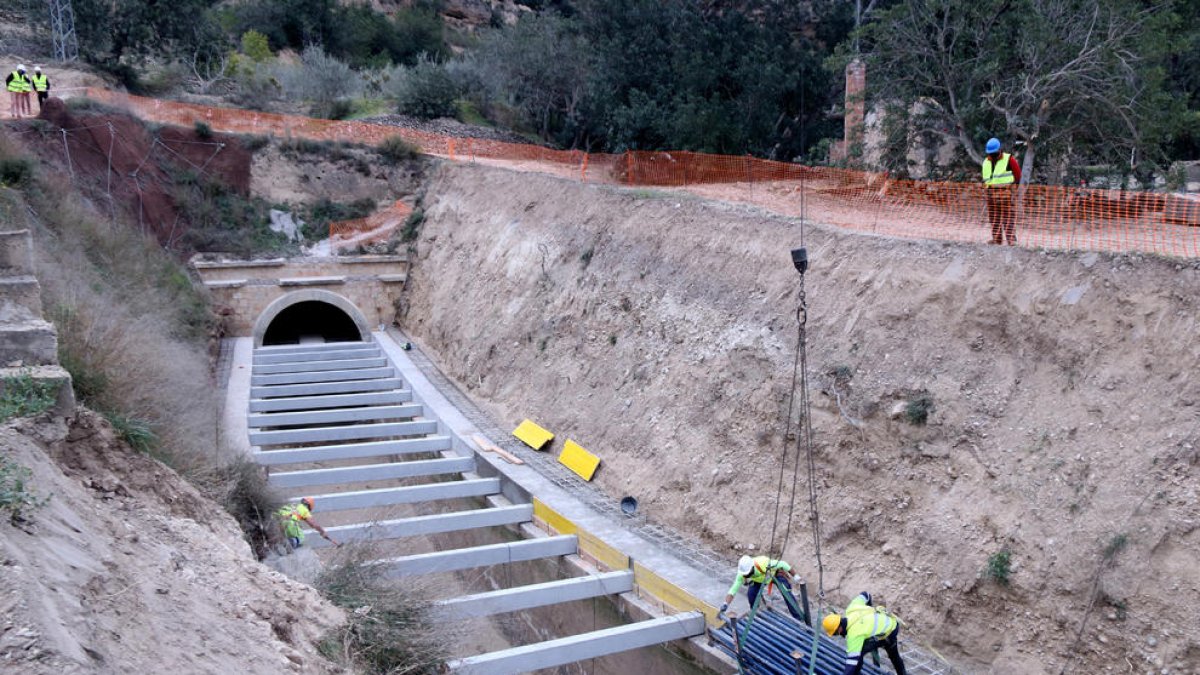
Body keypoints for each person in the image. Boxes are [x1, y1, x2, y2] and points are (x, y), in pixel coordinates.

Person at [823, 592, 907, 675]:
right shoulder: (851, 608)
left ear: (839, 629)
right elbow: (866, 594)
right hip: (891, 623)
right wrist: (870, 612)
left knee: (859, 653)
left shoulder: (854, 635)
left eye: (835, 633)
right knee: (895, 657)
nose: (838, 634)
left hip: (888, 634)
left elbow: (852, 662)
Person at [720, 554, 804, 620]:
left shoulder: (763, 563)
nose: (747, 575)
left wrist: (796, 576)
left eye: (748, 573)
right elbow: (733, 589)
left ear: (752, 568)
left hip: (774, 575)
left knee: (787, 593)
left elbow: (783, 564)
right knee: (751, 595)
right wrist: (726, 604)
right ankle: (757, 615)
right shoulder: (742, 574)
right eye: (746, 574)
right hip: (759, 580)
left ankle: (798, 617)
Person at [981, 137, 1022, 245]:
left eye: (994, 152)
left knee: (1008, 218)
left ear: (999, 150)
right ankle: (997, 239)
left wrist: (1014, 190)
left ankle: (1011, 240)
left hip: (1006, 194)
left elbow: (1018, 175)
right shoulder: (986, 162)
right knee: (994, 218)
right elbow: (986, 179)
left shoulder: (1009, 160)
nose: (992, 155)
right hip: (991, 195)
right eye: (990, 153)